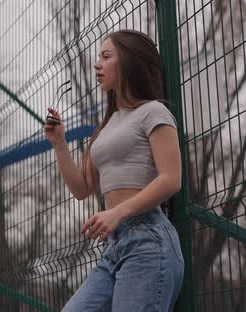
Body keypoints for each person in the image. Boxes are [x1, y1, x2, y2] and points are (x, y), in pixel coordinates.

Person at [44, 29, 184, 312]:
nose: (97, 64)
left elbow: (171, 179)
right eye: (98, 57)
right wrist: (59, 142)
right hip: (113, 248)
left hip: (148, 241)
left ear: (130, 62)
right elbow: (82, 188)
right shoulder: (106, 127)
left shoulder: (153, 112)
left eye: (106, 56)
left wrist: (117, 212)